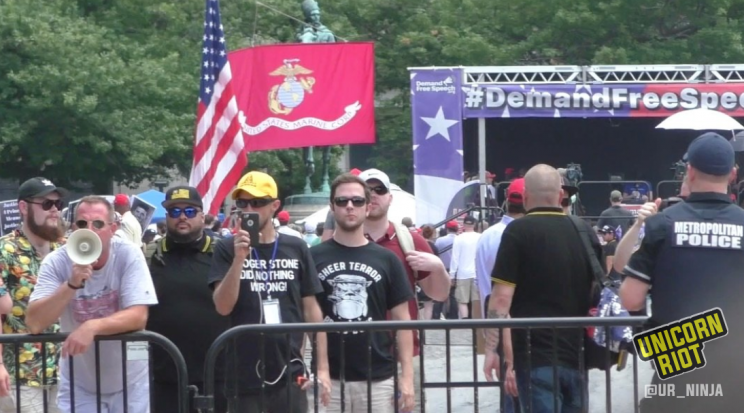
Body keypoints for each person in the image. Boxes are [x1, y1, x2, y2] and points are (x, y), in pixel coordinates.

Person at [620, 132, 744, 412]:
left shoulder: (661, 225)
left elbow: (630, 298)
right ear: (733, 173)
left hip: (677, 368)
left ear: (689, 171)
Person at [209, 171, 330, 412]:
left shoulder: (295, 246)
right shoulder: (226, 247)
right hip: (243, 371)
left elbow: (311, 308)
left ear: (274, 206)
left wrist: (323, 368)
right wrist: (239, 259)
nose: (249, 209)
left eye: (257, 202)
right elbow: (223, 306)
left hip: (291, 369)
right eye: (242, 203)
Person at [483, 164, 601, 413]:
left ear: (525, 197)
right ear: (561, 196)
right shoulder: (584, 231)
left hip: (533, 355)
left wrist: (492, 349)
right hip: (577, 353)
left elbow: (501, 300)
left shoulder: (517, 232)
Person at [26, 196, 158, 412]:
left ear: (113, 228)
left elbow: (138, 315)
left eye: (97, 224)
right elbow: (34, 323)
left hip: (129, 381)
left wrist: (92, 327)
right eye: (82, 224)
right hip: (80, 382)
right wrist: (71, 284)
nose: (89, 230)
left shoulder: (128, 254)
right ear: (73, 228)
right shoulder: (57, 261)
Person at [311, 173, 414, 413]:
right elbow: (306, 318)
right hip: (329, 379)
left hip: (378, 377)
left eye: (357, 201)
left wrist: (407, 377)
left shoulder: (387, 259)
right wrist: (315, 370)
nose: (349, 206)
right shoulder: (312, 257)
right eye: (342, 201)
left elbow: (403, 321)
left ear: (367, 208)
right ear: (332, 207)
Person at [359, 168, 449, 413]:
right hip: (354, 357)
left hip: (402, 355)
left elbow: (439, 294)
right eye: (367, 191)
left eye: (380, 190)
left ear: (390, 197)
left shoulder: (409, 240)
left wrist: (439, 268)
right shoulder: (342, 241)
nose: (373, 195)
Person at [146, 186, 230, 413]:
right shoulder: (150, 255)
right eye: (174, 212)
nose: (182, 217)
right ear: (167, 217)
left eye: (190, 211)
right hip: (163, 374)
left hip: (216, 372)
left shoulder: (221, 253)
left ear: (202, 216)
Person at [0, 177, 65, 412]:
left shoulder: (67, 249)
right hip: (21, 373)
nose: (55, 210)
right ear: (23, 207)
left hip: (66, 371)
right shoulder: (4, 251)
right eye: (46, 204)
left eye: (58, 204)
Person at [449, 216, 481, 319]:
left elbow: (455, 258)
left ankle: (465, 320)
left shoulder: (458, 238)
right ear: (474, 224)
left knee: (462, 300)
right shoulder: (481, 237)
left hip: (463, 273)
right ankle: (477, 321)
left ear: (463, 225)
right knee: (476, 300)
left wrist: (452, 275)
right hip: (477, 273)